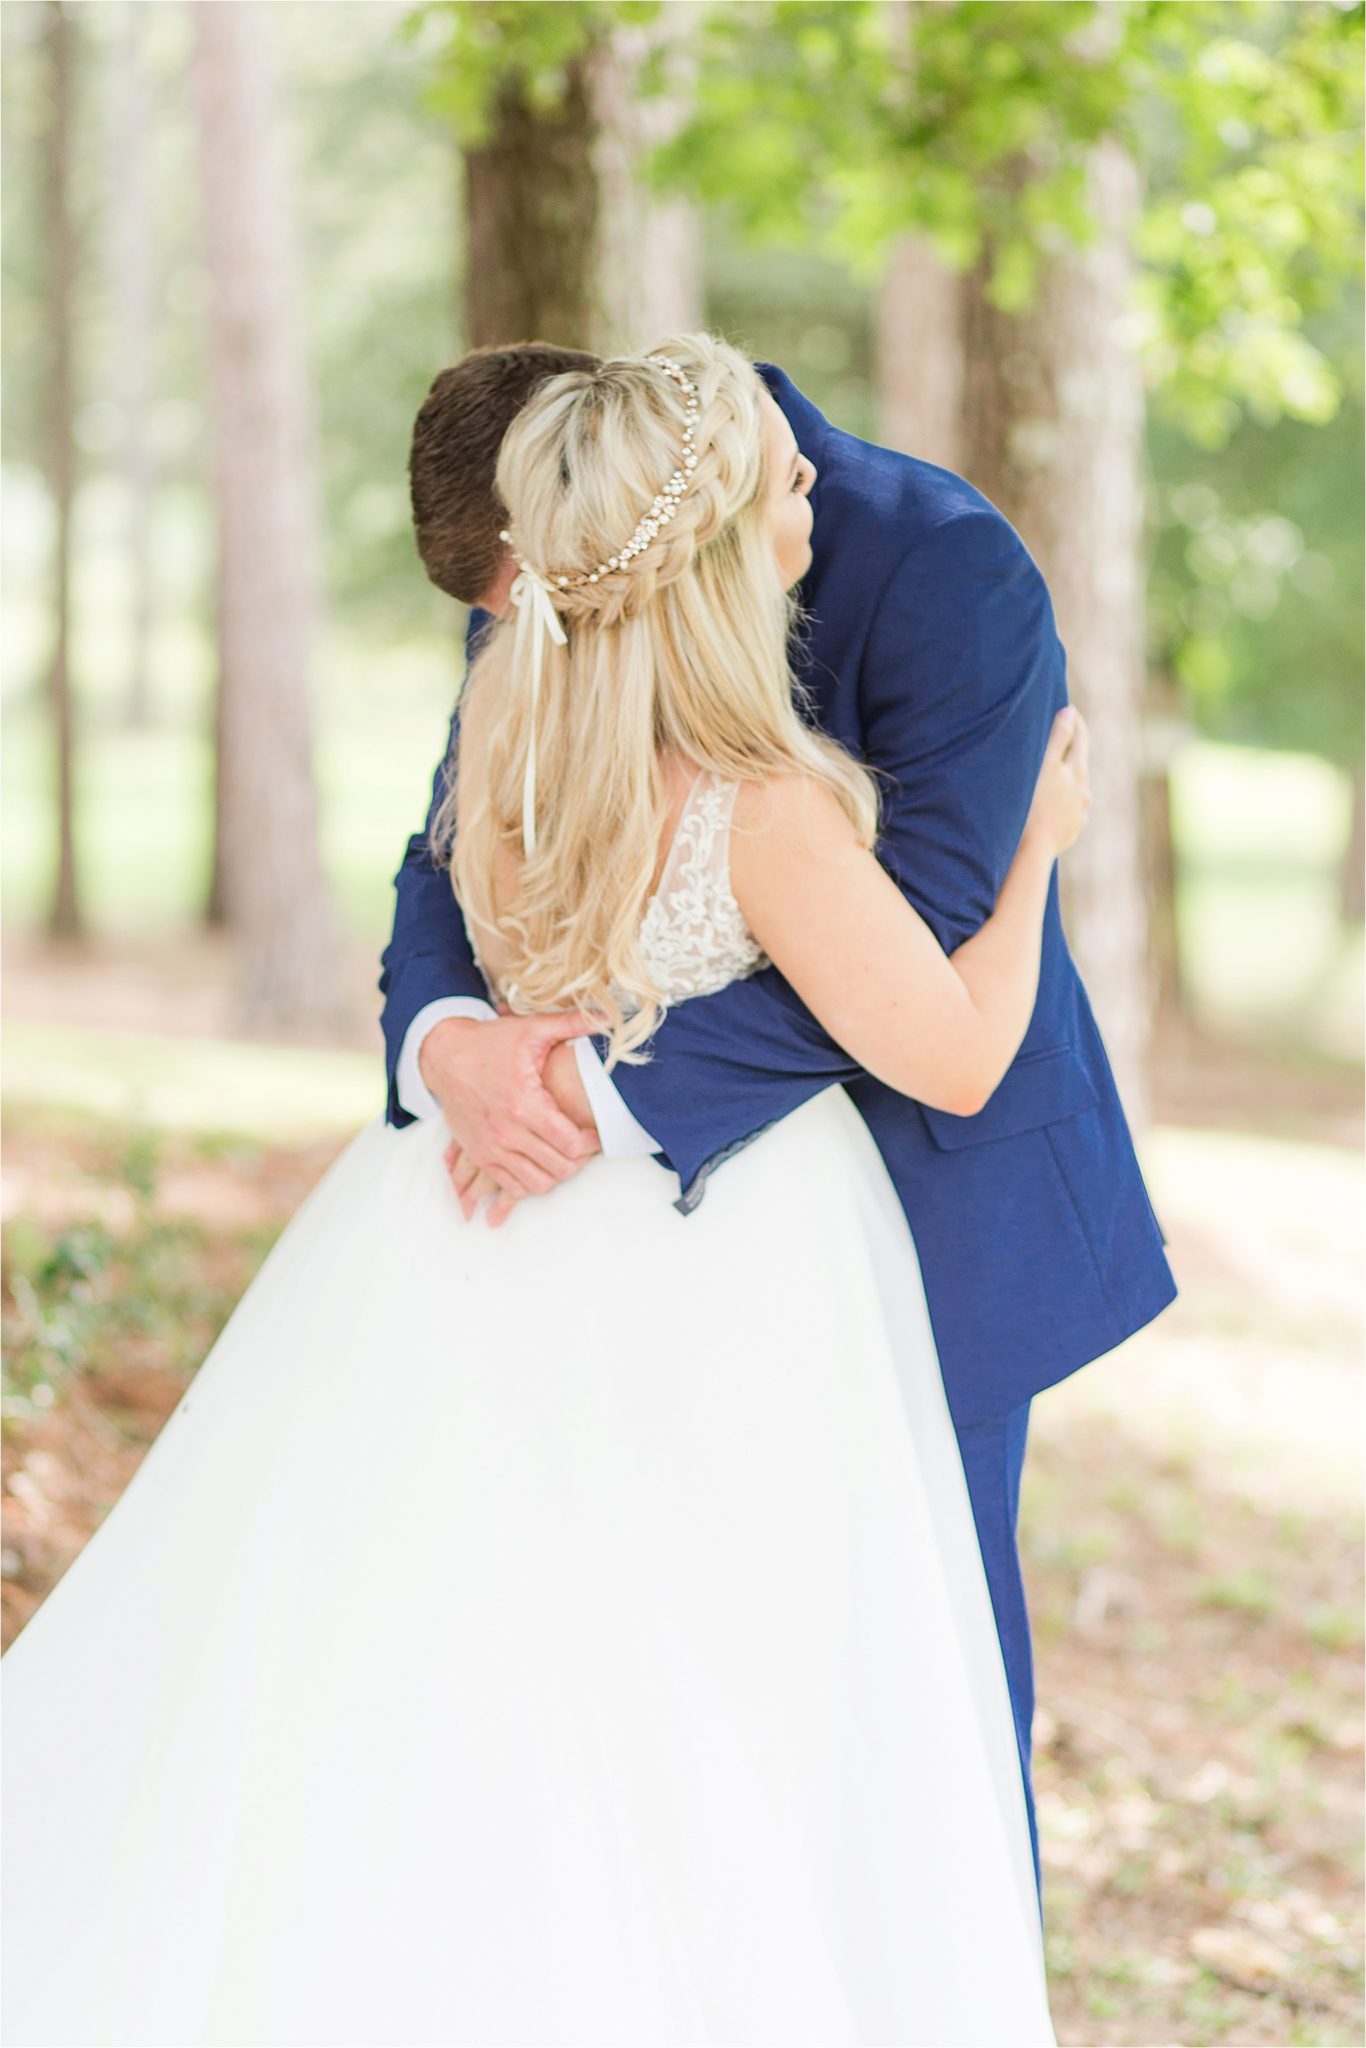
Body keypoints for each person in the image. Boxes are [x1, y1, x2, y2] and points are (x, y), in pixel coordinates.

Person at [3, 333, 1084, 2045]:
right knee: (755, 1680)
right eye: (772, 491)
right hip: (732, 1264)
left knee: (481, 1666)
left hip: (487, 1239)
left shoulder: (527, 710)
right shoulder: (764, 802)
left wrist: (562, 1069)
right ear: (711, 532)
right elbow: (944, 1043)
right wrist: (1037, 858)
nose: (805, 496)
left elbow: (476, 872)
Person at [384, 339, 1182, 1905]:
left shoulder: (941, 564)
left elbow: (929, 908)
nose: (521, 634)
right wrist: (452, 1042)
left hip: (889, 1218)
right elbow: (437, 870)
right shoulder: (572, 635)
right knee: (594, 1670)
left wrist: (593, 1078)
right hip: (592, 1212)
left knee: (913, 1678)